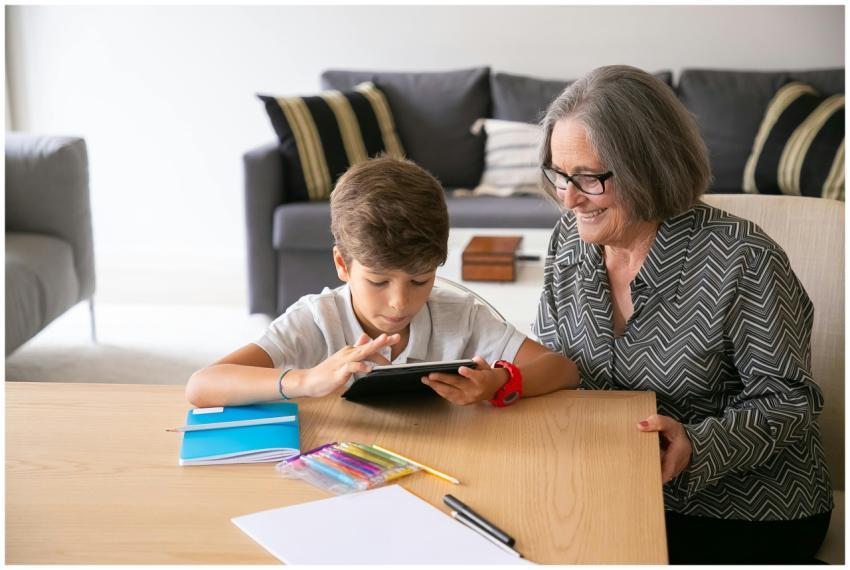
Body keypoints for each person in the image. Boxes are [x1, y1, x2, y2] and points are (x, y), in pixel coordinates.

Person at [532, 65, 833, 564]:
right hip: (616, 482)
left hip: (743, 508)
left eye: (588, 178)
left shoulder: (743, 259)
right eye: (560, 174)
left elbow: (791, 403)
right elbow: (553, 358)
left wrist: (697, 443)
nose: (568, 198)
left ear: (647, 166)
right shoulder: (569, 242)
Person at [186, 156, 578, 409]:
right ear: (343, 264)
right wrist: (307, 379)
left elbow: (561, 369)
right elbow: (203, 385)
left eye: (420, 280)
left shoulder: (460, 316)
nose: (399, 303)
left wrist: (497, 381)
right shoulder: (317, 319)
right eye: (377, 281)